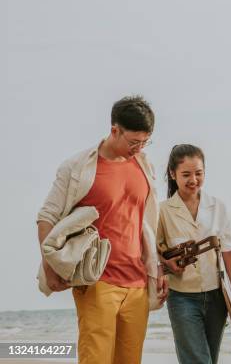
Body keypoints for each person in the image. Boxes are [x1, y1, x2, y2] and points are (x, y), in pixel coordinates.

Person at [36, 96, 168, 364]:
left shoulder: (144, 166)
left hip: (137, 283)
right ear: (114, 130)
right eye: (133, 142)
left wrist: (157, 267)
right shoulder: (78, 167)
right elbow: (46, 217)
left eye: (145, 142)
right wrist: (49, 265)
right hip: (96, 280)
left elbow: (144, 222)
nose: (138, 148)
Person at [157, 144, 231, 364]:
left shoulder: (218, 207)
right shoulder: (163, 211)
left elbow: (229, 253)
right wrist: (166, 264)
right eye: (186, 174)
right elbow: (152, 252)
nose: (193, 179)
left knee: (209, 359)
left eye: (198, 173)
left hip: (217, 298)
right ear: (172, 174)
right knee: (197, 361)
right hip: (182, 297)